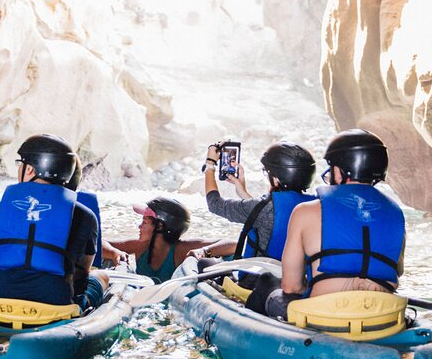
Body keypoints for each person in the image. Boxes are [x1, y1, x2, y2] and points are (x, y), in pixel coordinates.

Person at [255, 129, 406, 318]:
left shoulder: (305, 211)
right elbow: (395, 272)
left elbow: (291, 286)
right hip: (380, 315)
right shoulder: (396, 213)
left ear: (339, 171)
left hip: (324, 315)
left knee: (266, 282)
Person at [0, 134, 108, 311]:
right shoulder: (85, 215)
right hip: (56, 307)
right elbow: (82, 272)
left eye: (21, 164)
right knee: (101, 276)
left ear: (30, 170)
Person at [192, 141, 317, 274]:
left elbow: (215, 204)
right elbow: (264, 212)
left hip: (258, 280)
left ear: (275, 179)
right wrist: (242, 190)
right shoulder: (316, 205)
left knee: (202, 263)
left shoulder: (263, 207)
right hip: (297, 276)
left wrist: (210, 164)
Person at [103, 197, 237, 283]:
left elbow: (233, 244)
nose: (139, 226)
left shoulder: (181, 249)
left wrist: (204, 252)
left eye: (144, 222)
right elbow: (98, 243)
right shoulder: (140, 246)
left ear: (160, 226)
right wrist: (114, 253)